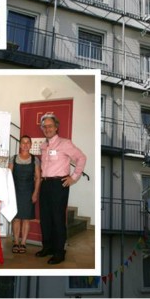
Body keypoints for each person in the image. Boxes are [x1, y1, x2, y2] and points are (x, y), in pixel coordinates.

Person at [36, 113, 87, 264]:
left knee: (57, 219)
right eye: (44, 126)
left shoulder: (65, 143)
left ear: (56, 127)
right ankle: (48, 247)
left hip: (59, 185)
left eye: (50, 126)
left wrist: (74, 177)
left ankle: (59, 252)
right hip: (45, 184)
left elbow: (81, 158)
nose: (47, 129)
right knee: (45, 218)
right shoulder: (43, 146)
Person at [9, 135, 41, 254]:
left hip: (29, 192)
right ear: (20, 144)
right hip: (15, 191)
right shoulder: (13, 158)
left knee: (26, 219)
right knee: (16, 218)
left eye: (28, 142)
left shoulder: (35, 160)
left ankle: (23, 243)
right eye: (23, 142)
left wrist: (35, 193)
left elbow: (38, 178)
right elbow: (8, 176)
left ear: (31, 145)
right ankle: (16, 242)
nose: (26, 144)